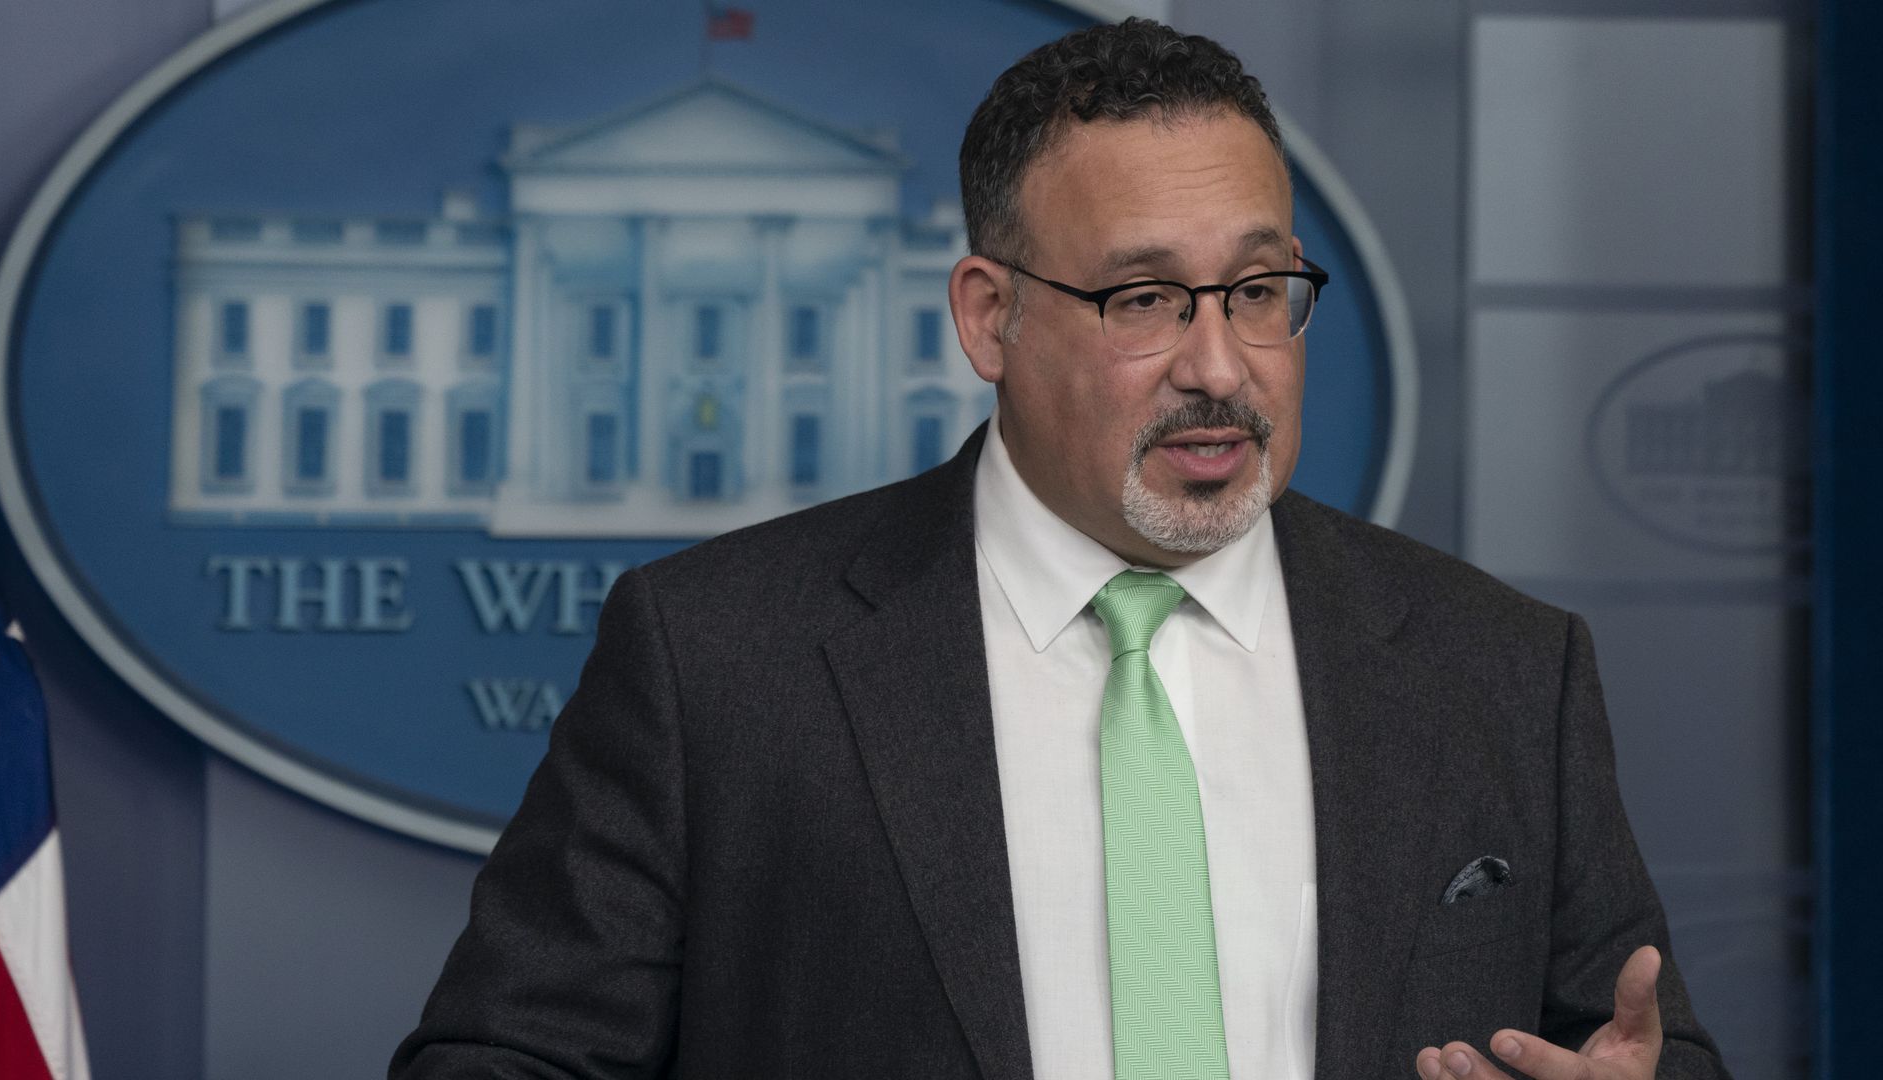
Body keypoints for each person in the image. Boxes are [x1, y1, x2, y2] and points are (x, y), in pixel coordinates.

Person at [391, 19, 1729, 1080]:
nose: (1222, 367)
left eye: (1258, 292)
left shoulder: (1502, 667)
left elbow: (1641, 1046)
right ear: (991, 319)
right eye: (1144, 299)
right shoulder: (716, 660)